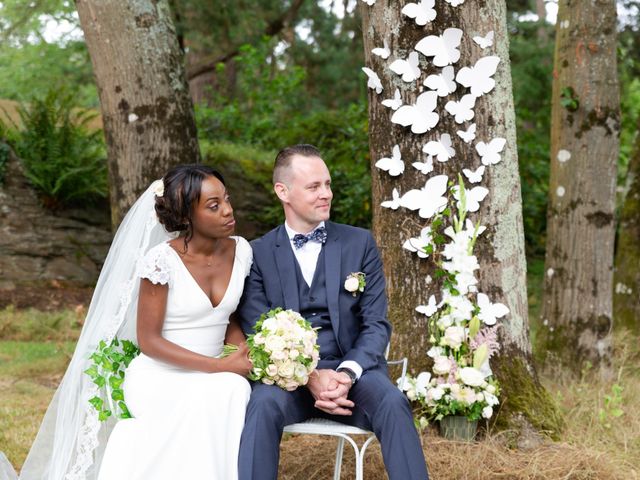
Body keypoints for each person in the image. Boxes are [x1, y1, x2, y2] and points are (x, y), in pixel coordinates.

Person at [17, 165, 253, 480]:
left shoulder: (242, 251)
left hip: (213, 370)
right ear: (186, 217)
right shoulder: (161, 261)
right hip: (162, 374)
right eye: (214, 206)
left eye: (226, 199)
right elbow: (149, 341)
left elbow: (226, 317)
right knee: (224, 388)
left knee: (233, 389)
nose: (228, 210)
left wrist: (245, 351)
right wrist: (218, 367)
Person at [237, 144, 429, 480]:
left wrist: (346, 374)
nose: (326, 194)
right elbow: (259, 331)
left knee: (393, 402)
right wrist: (310, 378)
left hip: (354, 375)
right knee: (261, 405)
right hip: (288, 382)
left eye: (327, 184)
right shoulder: (257, 254)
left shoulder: (359, 243)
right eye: (313, 187)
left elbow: (376, 324)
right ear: (282, 191)